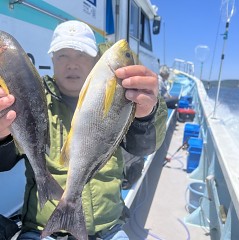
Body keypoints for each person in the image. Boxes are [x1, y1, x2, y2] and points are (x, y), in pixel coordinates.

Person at [0, 20, 167, 240]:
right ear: (51, 59)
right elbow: (4, 162)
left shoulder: (125, 96)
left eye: (81, 54)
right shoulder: (34, 99)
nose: (72, 64)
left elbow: (144, 146)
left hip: (109, 229)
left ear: (96, 60)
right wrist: (2, 136)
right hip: (42, 229)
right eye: (62, 55)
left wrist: (147, 115)